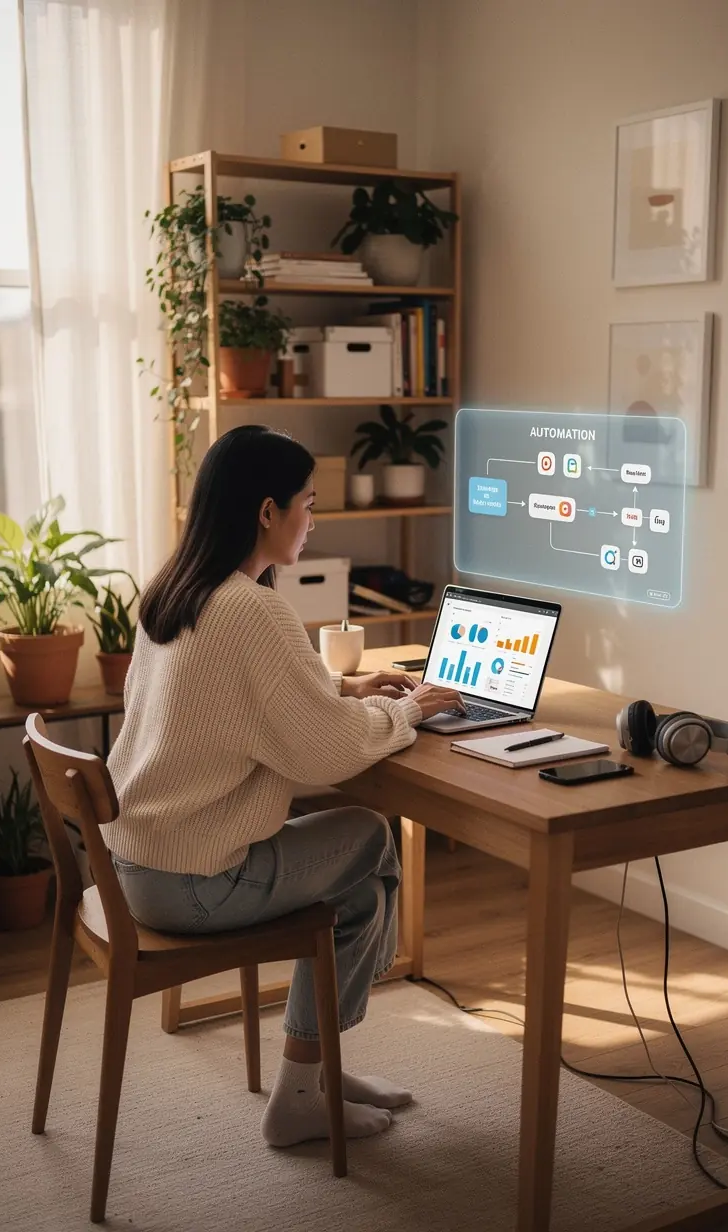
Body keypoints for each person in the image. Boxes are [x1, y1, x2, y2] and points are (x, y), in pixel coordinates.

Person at [104, 425, 463, 1149]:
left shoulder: (175, 588)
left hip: (136, 867)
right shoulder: (252, 608)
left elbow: (231, 695)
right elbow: (324, 749)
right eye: (308, 502)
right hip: (194, 881)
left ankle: (312, 1076)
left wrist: (343, 684)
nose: (313, 519)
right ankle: (301, 1093)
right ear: (268, 511)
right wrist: (406, 709)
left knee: (357, 888)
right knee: (369, 837)